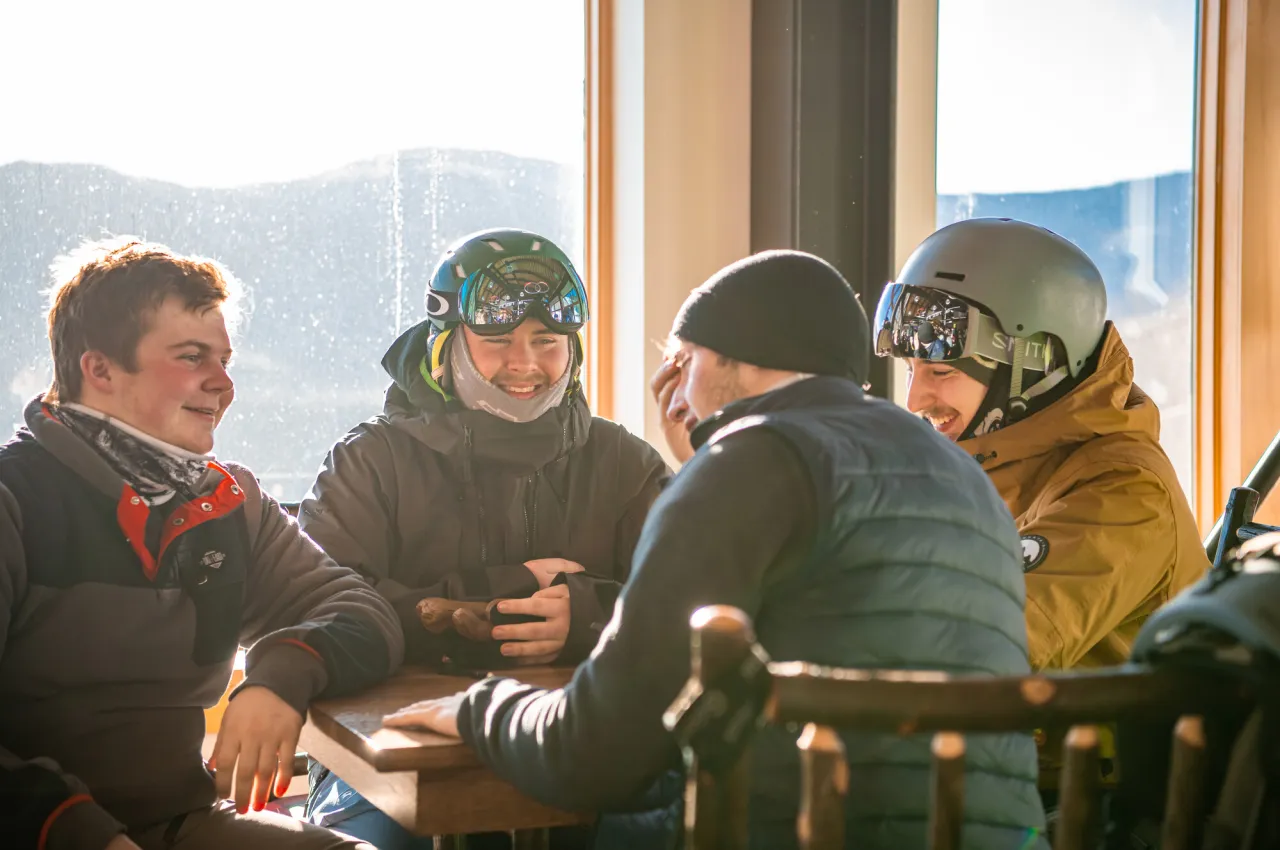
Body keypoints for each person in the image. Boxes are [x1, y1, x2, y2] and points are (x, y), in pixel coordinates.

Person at [379, 249, 1048, 849]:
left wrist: (478, 708)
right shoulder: (960, 473)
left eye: (684, 360)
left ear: (731, 358)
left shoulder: (755, 461)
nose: (674, 387)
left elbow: (593, 751)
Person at [0, 238, 404, 850]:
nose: (223, 385)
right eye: (193, 358)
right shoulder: (14, 498)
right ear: (100, 369)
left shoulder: (226, 502)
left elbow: (362, 614)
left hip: (180, 825)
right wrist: (80, 833)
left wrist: (279, 677)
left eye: (225, 360)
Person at [298, 228, 669, 848]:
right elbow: (317, 609)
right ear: (444, 345)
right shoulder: (368, 463)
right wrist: (503, 594)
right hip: (386, 762)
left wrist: (588, 615)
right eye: (497, 341)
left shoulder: (626, 465)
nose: (525, 364)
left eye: (547, 341)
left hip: (578, 745)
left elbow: (691, 607)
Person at [872, 217, 1207, 672]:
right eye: (911, 370)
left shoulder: (1126, 493)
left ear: (1029, 370)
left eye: (942, 372)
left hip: (1090, 743)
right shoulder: (985, 465)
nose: (914, 400)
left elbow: (985, 652)